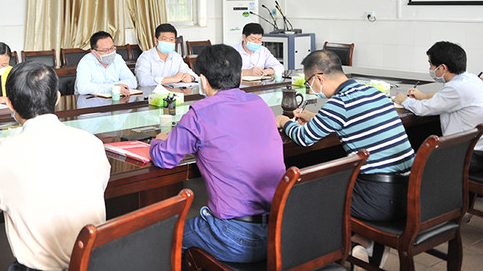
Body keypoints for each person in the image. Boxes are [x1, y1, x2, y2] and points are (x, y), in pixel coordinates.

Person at [0, 62, 111, 271]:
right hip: (96, 263)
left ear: (10, 105)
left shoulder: (2, 154)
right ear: (57, 97)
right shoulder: (91, 142)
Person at [276, 50, 415, 265]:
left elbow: (304, 138)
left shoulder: (339, 103)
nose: (311, 88)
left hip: (379, 200)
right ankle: (366, 244)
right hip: (410, 193)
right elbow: (348, 120)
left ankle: (328, 257)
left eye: (309, 83)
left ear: (319, 78)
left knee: (308, 193)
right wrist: (313, 118)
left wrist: (284, 122)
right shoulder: (372, 92)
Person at [150, 44, 285, 263]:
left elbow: (163, 158)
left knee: (161, 237)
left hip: (234, 236)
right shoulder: (260, 104)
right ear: (239, 76)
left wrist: (158, 140)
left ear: (203, 81)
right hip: (280, 230)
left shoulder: (200, 113)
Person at [393, 41, 483, 172]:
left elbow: (422, 109)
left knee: (414, 157)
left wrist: (403, 100)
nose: (430, 69)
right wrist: (424, 96)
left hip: (468, 155)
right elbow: (448, 99)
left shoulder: (455, 87)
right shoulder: (471, 79)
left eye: (431, 64)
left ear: (442, 68)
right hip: (476, 149)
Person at [74, 31, 137, 96]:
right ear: (94, 52)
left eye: (112, 48)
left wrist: (114, 87)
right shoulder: (86, 62)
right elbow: (83, 88)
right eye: (105, 50)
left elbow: (132, 82)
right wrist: (113, 88)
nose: (110, 52)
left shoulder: (117, 58)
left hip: (115, 99)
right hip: (89, 100)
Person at [135, 23, 196, 87]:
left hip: (173, 92)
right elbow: (143, 81)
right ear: (156, 41)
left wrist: (191, 78)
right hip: (151, 93)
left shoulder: (176, 57)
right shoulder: (145, 57)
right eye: (164, 39)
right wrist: (172, 79)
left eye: (171, 39)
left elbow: (195, 76)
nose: (168, 42)